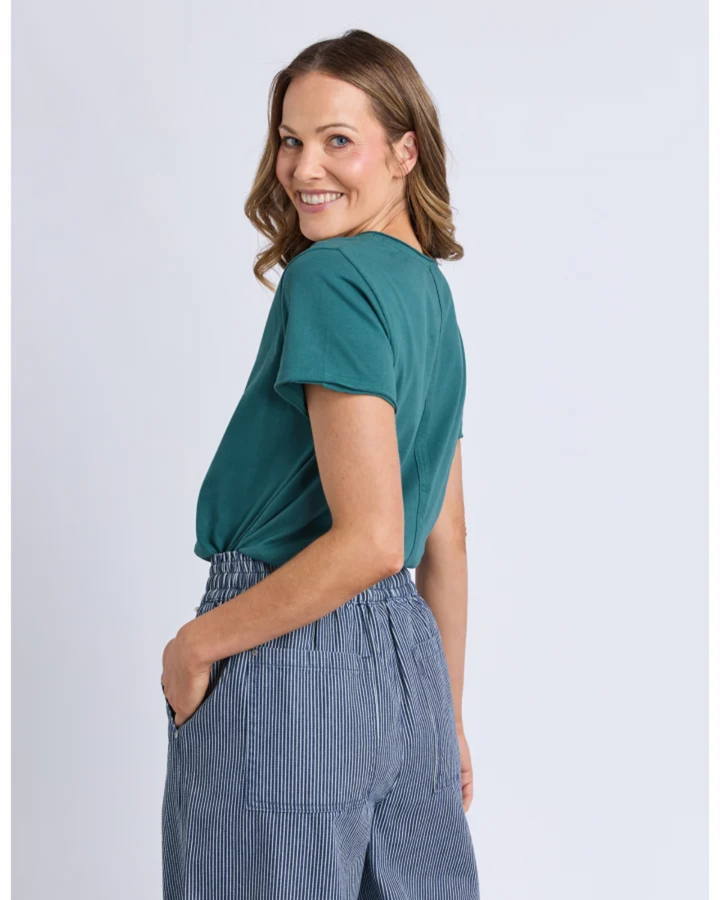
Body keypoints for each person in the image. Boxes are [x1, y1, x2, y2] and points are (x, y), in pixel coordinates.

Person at [160, 28, 481, 900]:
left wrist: (196, 646)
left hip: (289, 643)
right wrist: (442, 715)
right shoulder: (430, 297)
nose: (305, 168)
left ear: (403, 150)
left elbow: (374, 538)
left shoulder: (330, 277)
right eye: (292, 139)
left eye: (339, 140)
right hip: (408, 669)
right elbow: (441, 541)